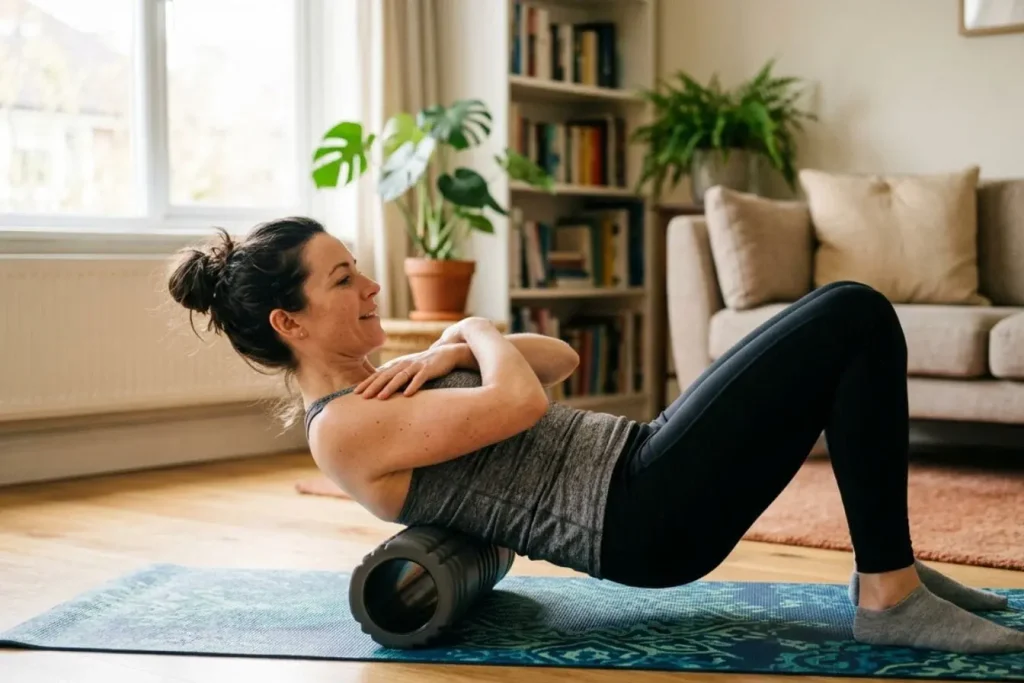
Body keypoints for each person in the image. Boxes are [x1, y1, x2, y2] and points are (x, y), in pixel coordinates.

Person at [167, 216, 1023, 655]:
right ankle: (889, 595)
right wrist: (469, 324)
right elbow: (520, 405)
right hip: (640, 515)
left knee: (851, 327)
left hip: (642, 467)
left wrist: (451, 348)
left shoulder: (386, 375)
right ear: (290, 321)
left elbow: (557, 359)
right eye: (345, 278)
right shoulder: (345, 430)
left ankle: (893, 573)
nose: (373, 284)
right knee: (850, 313)